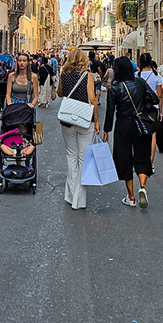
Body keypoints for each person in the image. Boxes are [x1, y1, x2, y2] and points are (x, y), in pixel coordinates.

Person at [103, 56, 160, 209]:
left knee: (125, 158)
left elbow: (110, 112)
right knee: (142, 156)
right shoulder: (140, 82)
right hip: (141, 124)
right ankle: (142, 186)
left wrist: (106, 130)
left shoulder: (114, 88)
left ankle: (131, 197)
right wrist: (142, 107)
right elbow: (154, 99)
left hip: (123, 124)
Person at [56, 48, 98, 210]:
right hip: (84, 119)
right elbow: (92, 99)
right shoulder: (87, 75)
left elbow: (60, 94)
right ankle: (78, 200)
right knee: (82, 159)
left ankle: (70, 195)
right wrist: (97, 121)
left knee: (70, 157)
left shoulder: (63, 74)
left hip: (67, 120)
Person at [138, 53, 163, 157]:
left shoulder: (136, 76)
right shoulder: (157, 76)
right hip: (153, 108)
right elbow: (159, 96)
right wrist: (161, 112)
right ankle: (150, 163)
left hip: (139, 108)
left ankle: (140, 159)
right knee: (153, 136)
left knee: (139, 134)